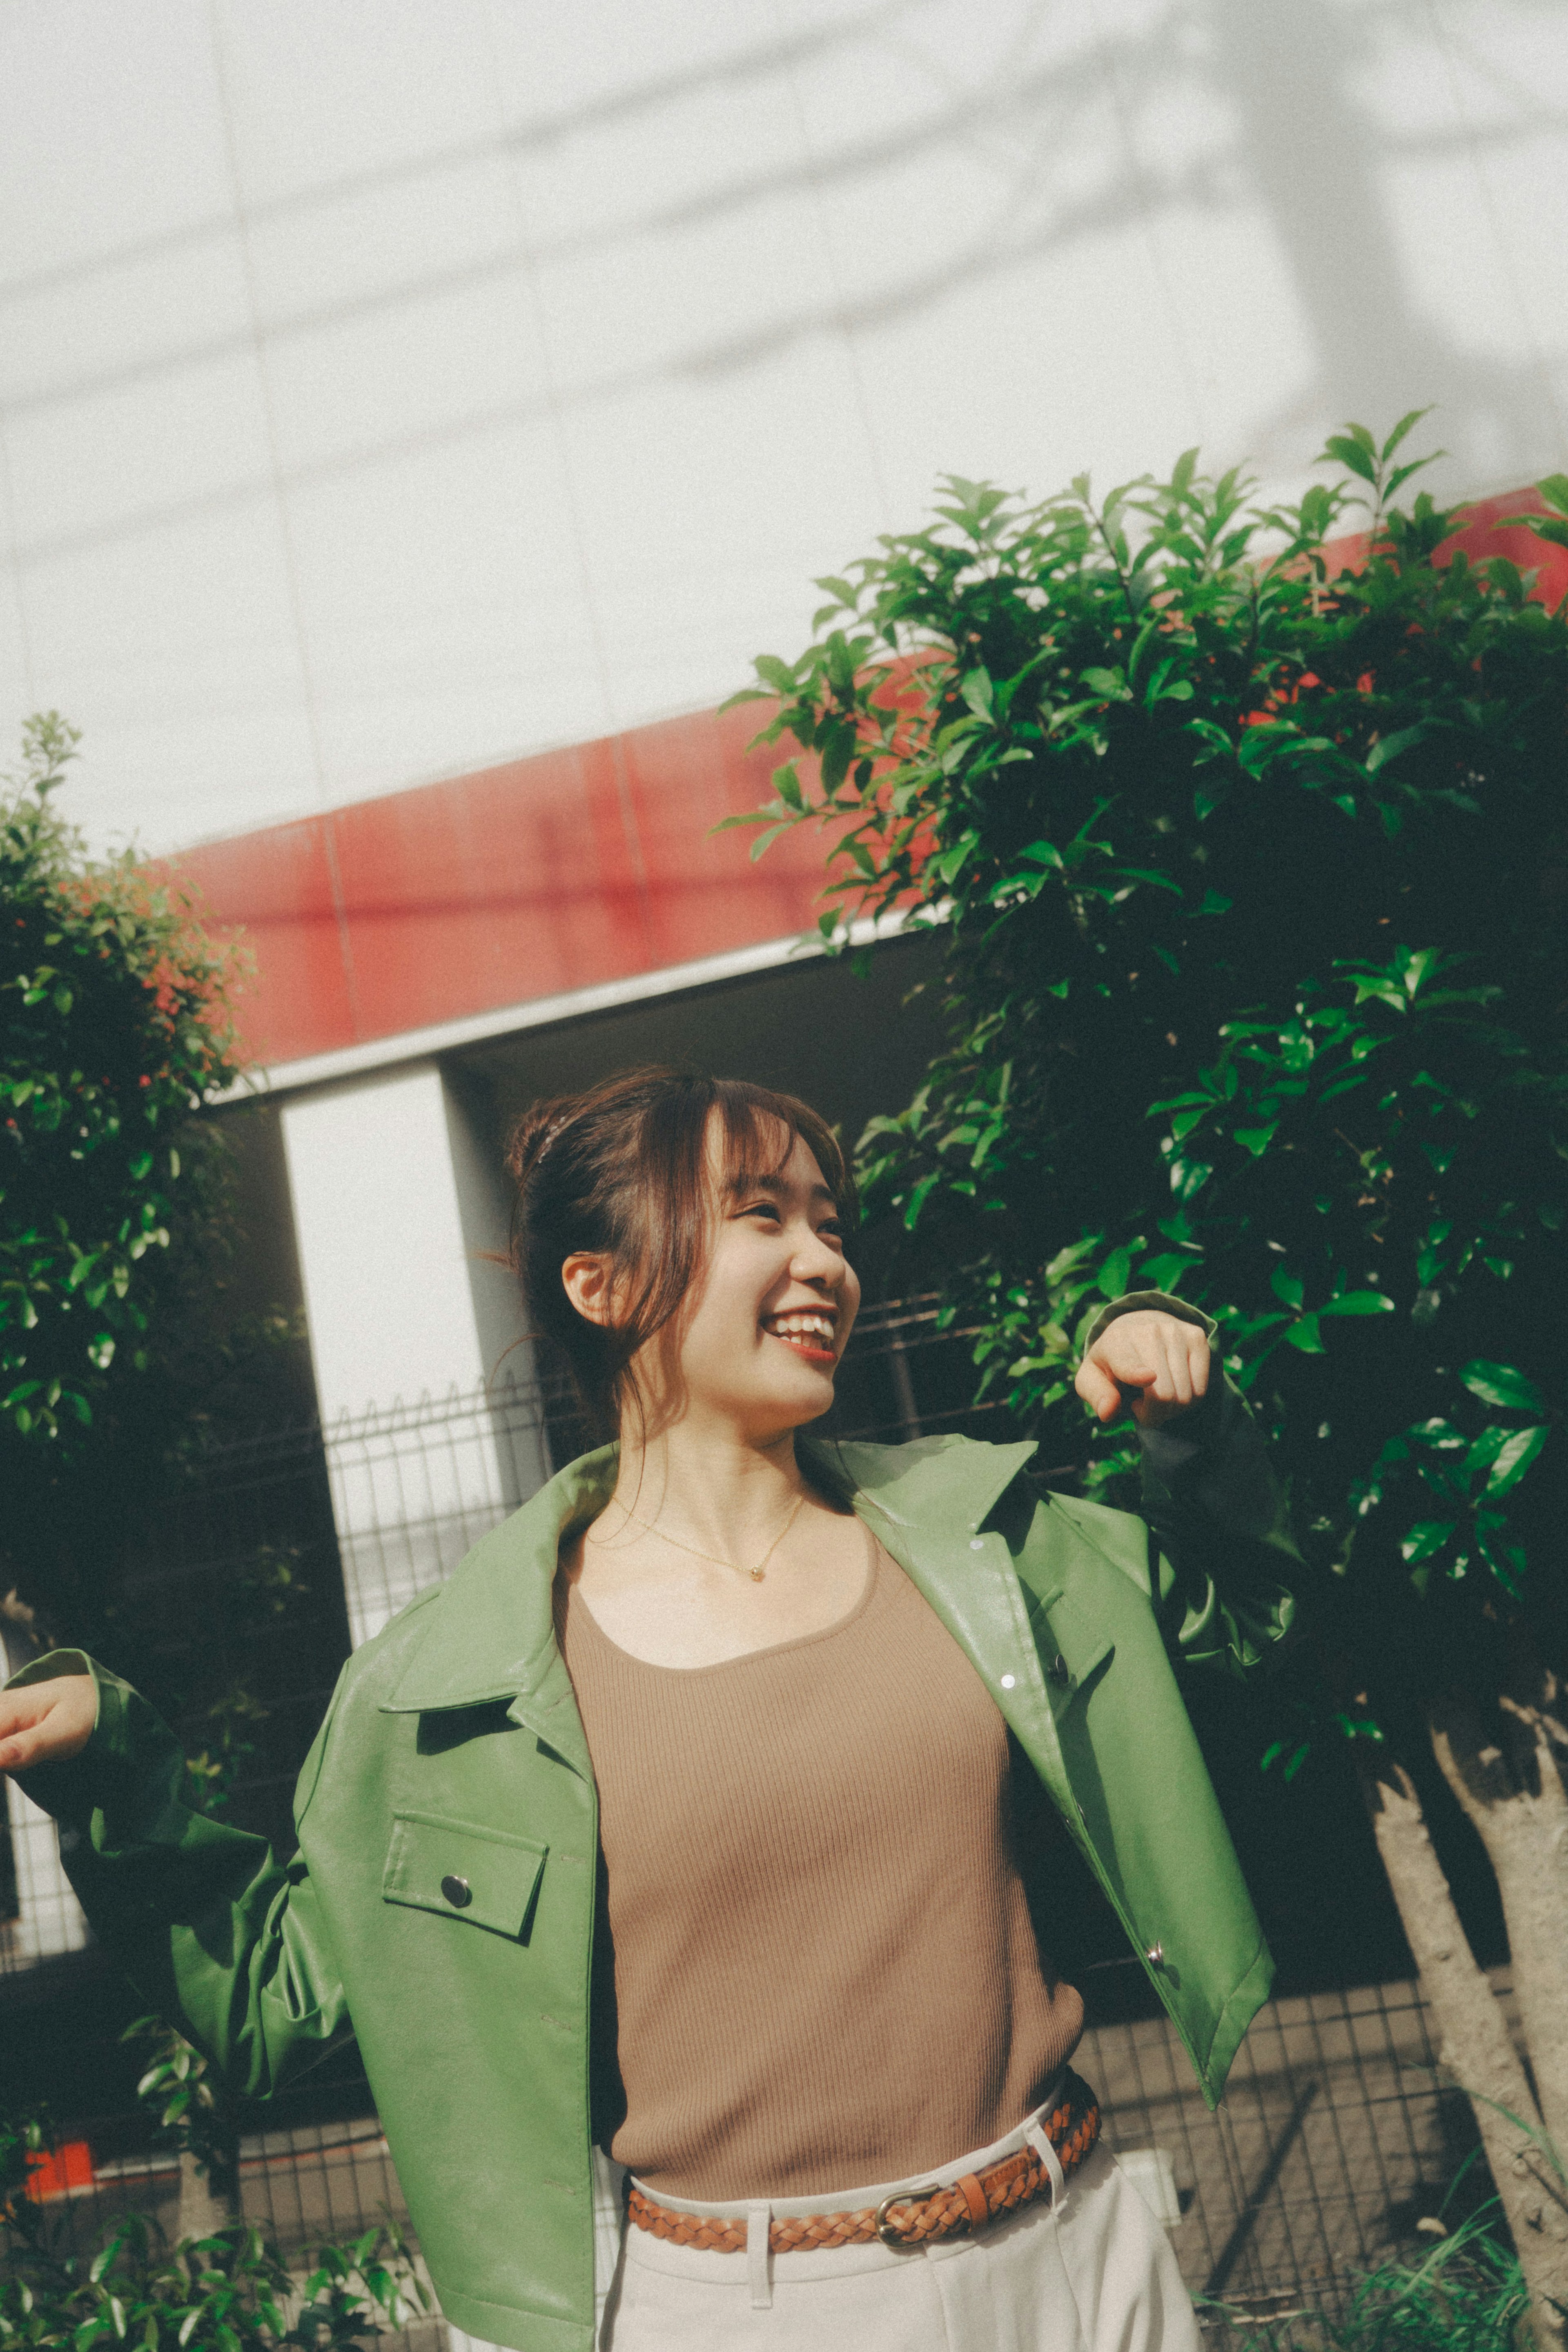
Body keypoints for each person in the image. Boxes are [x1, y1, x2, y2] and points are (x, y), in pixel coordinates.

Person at [0, 1067, 1297, 2352]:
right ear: (602, 1285)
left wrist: (1190, 1430)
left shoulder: (983, 1539)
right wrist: (113, 1773)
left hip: (1077, 2262)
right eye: (759, 1216)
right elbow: (273, 2004)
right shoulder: (456, 1686)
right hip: (738, 2316)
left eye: (830, 1223)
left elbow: (1249, 1619)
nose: (824, 1261)